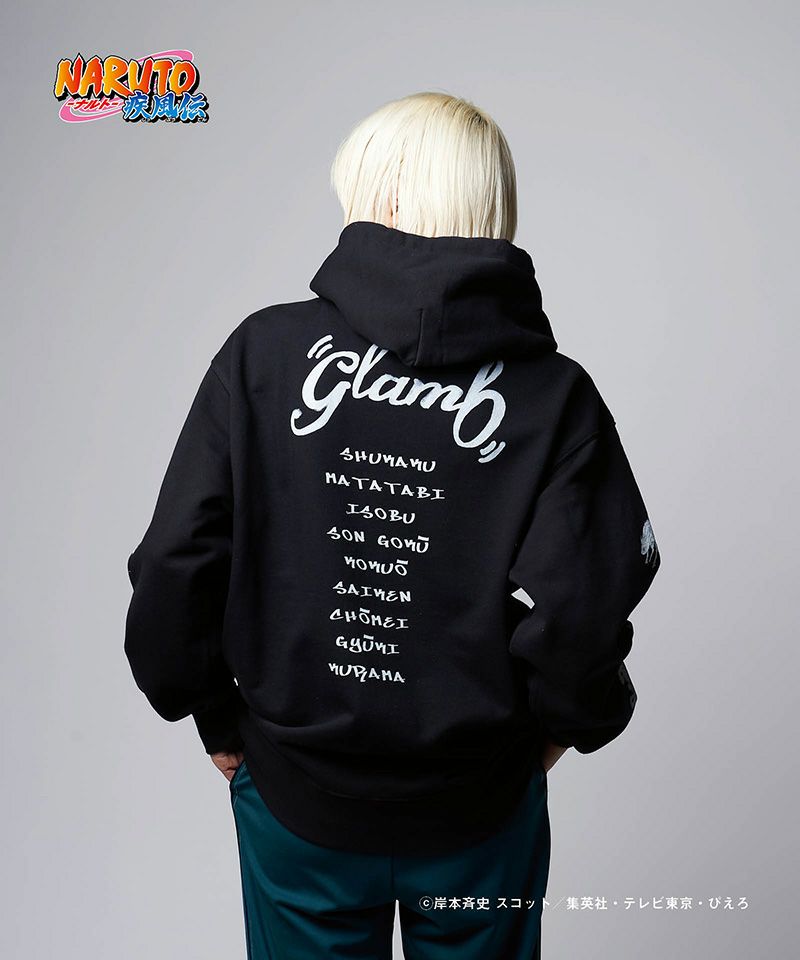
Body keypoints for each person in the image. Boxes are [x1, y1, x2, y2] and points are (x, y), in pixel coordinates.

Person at [124, 90, 662, 959]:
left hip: (297, 799)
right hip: (479, 805)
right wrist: (570, 721)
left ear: (374, 191)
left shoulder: (263, 356)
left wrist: (212, 715)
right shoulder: (556, 396)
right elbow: (585, 611)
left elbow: (175, 564)